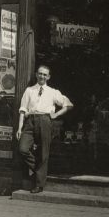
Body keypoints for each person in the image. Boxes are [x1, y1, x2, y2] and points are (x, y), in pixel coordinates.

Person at [16, 65, 73, 193]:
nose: (42, 76)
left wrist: (56, 114)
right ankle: (39, 170)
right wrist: (20, 128)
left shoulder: (53, 92)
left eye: (45, 74)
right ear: (36, 74)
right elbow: (22, 110)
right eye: (40, 73)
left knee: (43, 153)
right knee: (22, 148)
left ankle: (39, 185)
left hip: (45, 121)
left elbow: (68, 104)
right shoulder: (29, 90)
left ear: (48, 77)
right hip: (30, 121)